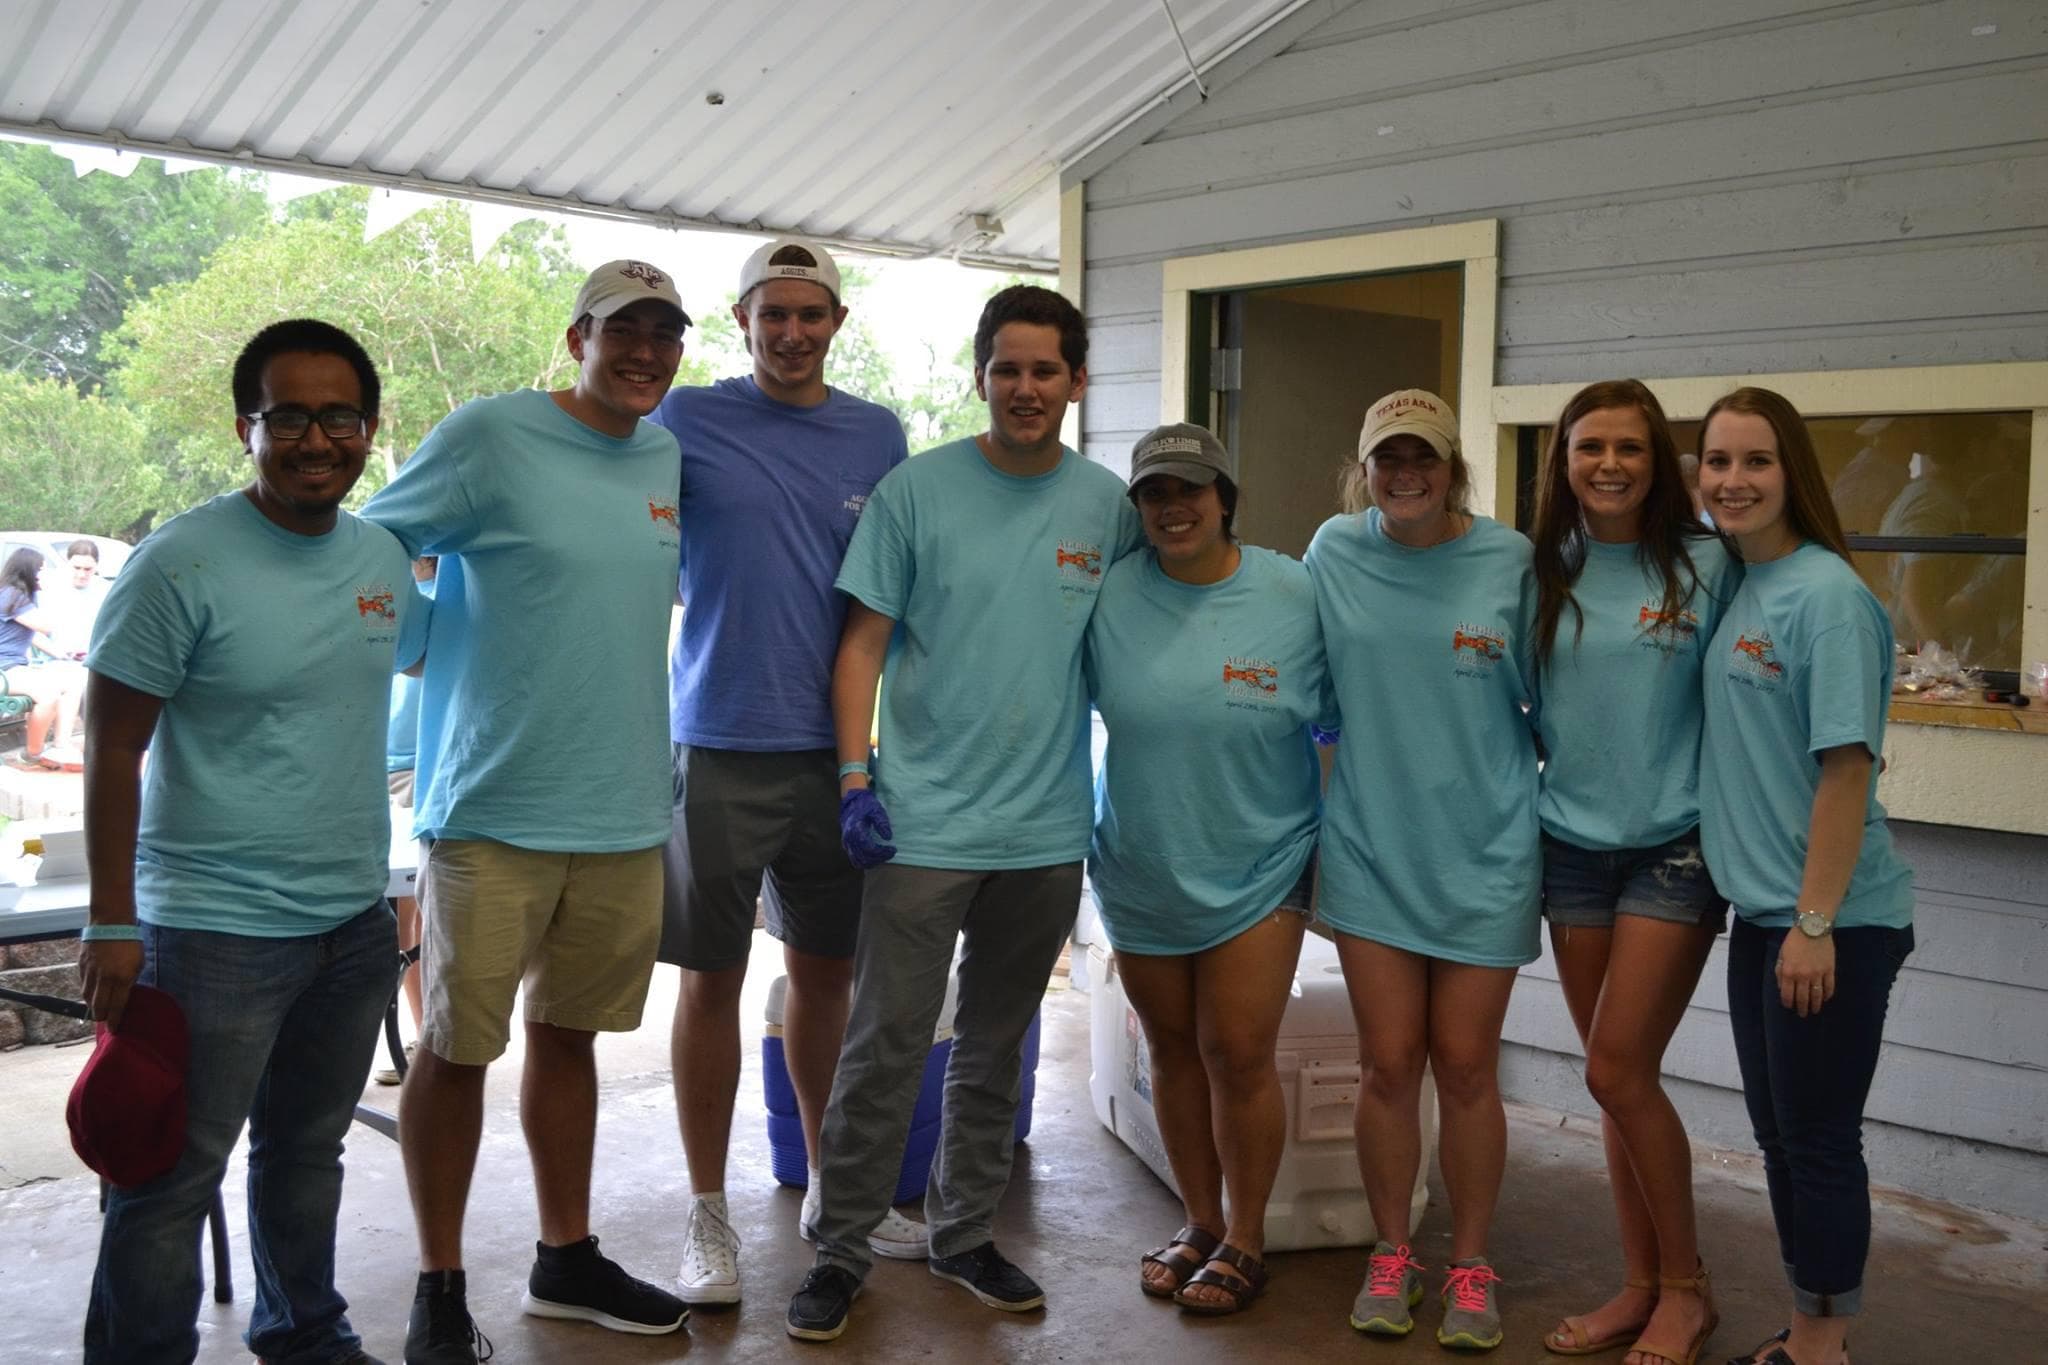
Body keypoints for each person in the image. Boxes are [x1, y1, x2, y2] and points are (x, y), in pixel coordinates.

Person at [784, 285, 1140, 1343]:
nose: (1025, 389)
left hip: (1044, 829)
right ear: (980, 376)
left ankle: (964, 1232)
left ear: (1077, 382)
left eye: (1045, 371)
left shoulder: (1107, 508)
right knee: (886, 1043)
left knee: (995, 1046)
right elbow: (861, 646)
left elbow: (1140, 642)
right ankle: (839, 1250)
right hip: (922, 824)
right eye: (1006, 369)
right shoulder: (917, 492)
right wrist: (855, 780)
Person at [75, 318, 426, 1364]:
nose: (317, 440)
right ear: (247, 427)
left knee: (307, 1153)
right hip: (210, 931)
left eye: (340, 417)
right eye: (289, 417)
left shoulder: (378, 557)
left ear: (369, 427)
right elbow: (110, 747)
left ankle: (304, 1333)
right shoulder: (179, 564)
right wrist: (111, 922)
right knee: (167, 1177)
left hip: (350, 921)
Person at [362, 260, 694, 1363]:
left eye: (665, 333)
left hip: (621, 812)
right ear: (576, 337)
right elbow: (372, 543)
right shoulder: (490, 435)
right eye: (622, 330)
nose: (644, 351)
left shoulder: (662, 455)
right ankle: (439, 1283)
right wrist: (419, 643)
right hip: (491, 808)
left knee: (570, 1039)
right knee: (456, 1050)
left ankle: (565, 1259)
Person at [648, 237, 916, 1304]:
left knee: (825, 977)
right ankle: (707, 1214)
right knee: (710, 980)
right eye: (774, 314)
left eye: (811, 315)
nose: (792, 333)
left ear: (837, 323)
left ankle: (831, 1194)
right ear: (742, 320)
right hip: (716, 741)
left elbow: (891, 587)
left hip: (836, 758)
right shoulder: (686, 418)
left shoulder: (875, 434)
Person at [1304, 389, 1538, 1352]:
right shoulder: (1333, 550)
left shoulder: (1509, 559)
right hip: (1371, 846)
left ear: (1454, 468)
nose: (1406, 474)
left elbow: (1553, 697)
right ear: (1364, 469)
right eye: (1388, 459)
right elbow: (1308, 687)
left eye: (1424, 457)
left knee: (1469, 1067)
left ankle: (1471, 1263)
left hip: (1487, 848)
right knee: (1389, 1063)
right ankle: (1392, 1250)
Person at [1084, 422, 1330, 1316]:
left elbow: (1349, 710)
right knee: (1172, 1047)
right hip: (1142, 858)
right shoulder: (1110, 593)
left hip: (1264, 858)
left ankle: (1246, 1236)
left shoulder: (1295, 590)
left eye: (1190, 489)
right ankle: (1199, 1219)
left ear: (1225, 499)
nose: (1173, 507)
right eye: (1154, 493)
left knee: (1237, 1049)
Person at [1697, 387, 1915, 1365]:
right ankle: (1810, 1327)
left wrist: (1814, 922)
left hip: (1833, 919)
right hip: (1766, 914)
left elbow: (1847, 768)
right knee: (1782, 1138)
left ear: (1793, 473)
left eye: (1756, 461)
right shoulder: (1744, 581)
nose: (1733, 480)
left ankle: (1820, 1347)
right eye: (1717, 461)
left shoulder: (1825, 598)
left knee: (1818, 1139)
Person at [1526, 380, 1737, 1364]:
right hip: (1569, 846)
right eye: (1589, 446)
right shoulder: (1541, 570)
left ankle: (1686, 1292)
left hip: (1674, 847)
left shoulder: (1709, 564)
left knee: (1614, 1067)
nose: (1608, 464)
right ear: (1563, 460)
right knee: (1619, 1080)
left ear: (1658, 461)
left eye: (1629, 447)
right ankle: (1641, 1286)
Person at [374, 556, 438, 1087]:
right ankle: (423, 1036)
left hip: (420, 766)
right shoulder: (386, 592)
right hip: (384, 761)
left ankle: (426, 1038)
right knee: (404, 920)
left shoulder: (437, 595)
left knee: (411, 919)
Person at [1, 548, 87, 771]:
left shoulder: (21, 596)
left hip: (14, 668)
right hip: (4, 670)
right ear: (27, 570)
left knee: (71, 684)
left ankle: (60, 747)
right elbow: (46, 626)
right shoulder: (11, 595)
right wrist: (53, 590)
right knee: (48, 694)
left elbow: (32, 635)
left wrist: (62, 654)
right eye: (40, 570)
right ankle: (33, 753)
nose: (43, 574)